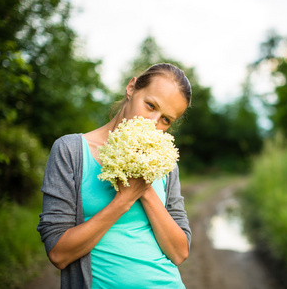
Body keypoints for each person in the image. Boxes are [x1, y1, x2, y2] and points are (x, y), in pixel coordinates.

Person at [37, 63, 192, 288]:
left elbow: (179, 252)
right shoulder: (70, 151)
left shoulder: (165, 163)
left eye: (165, 120)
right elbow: (58, 254)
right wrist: (124, 200)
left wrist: (145, 189)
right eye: (150, 106)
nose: (152, 123)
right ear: (131, 88)